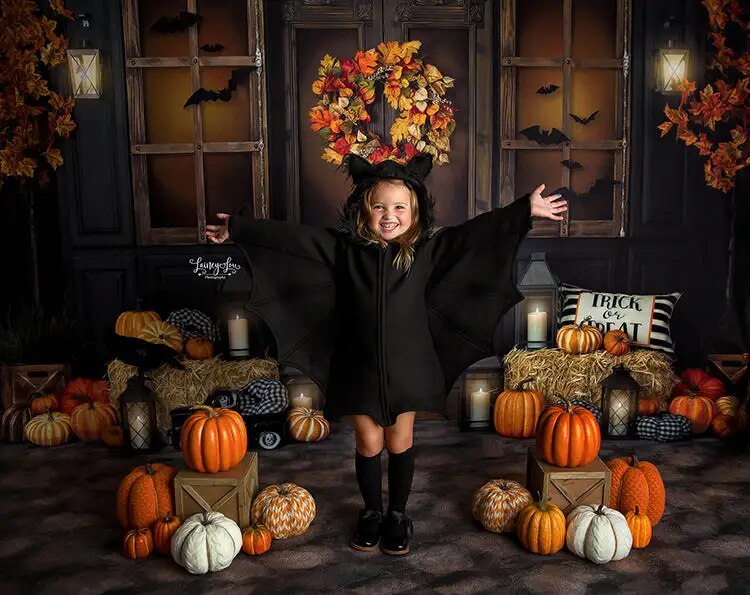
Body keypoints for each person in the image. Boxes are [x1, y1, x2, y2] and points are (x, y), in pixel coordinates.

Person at [205, 153, 567, 556]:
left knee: (399, 440)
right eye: (380, 206)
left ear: (415, 212)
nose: (389, 215)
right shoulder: (342, 249)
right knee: (367, 441)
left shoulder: (429, 249)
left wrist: (523, 211)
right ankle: (372, 513)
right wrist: (238, 228)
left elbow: (475, 234)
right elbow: (291, 239)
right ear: (364, 210)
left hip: (408, 366)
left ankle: (397, 514)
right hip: (357, 365)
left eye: (399, 207)